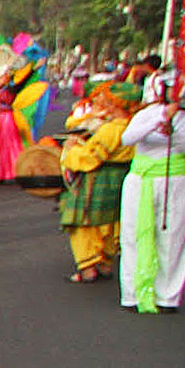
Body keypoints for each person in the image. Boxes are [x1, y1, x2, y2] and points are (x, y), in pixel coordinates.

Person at [118, 71, 185, 313]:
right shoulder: (145, 114)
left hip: (178, 181)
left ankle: (168, 296)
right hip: (141, 180)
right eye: (174, 88)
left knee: (173, 237)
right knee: (133, 234)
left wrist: (176, 134)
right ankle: (132, 293)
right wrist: (159, 120)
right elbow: (128, 138)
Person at [56, 82, 137, 283]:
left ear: (115, 104)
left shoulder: (111, 129)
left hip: (99, 178)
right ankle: (105, 262)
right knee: (110, 222)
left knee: (84, 223)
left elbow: (91, 157)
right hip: (120, 177)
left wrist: (72, 149)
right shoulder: (134, 124)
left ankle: (88, 267)